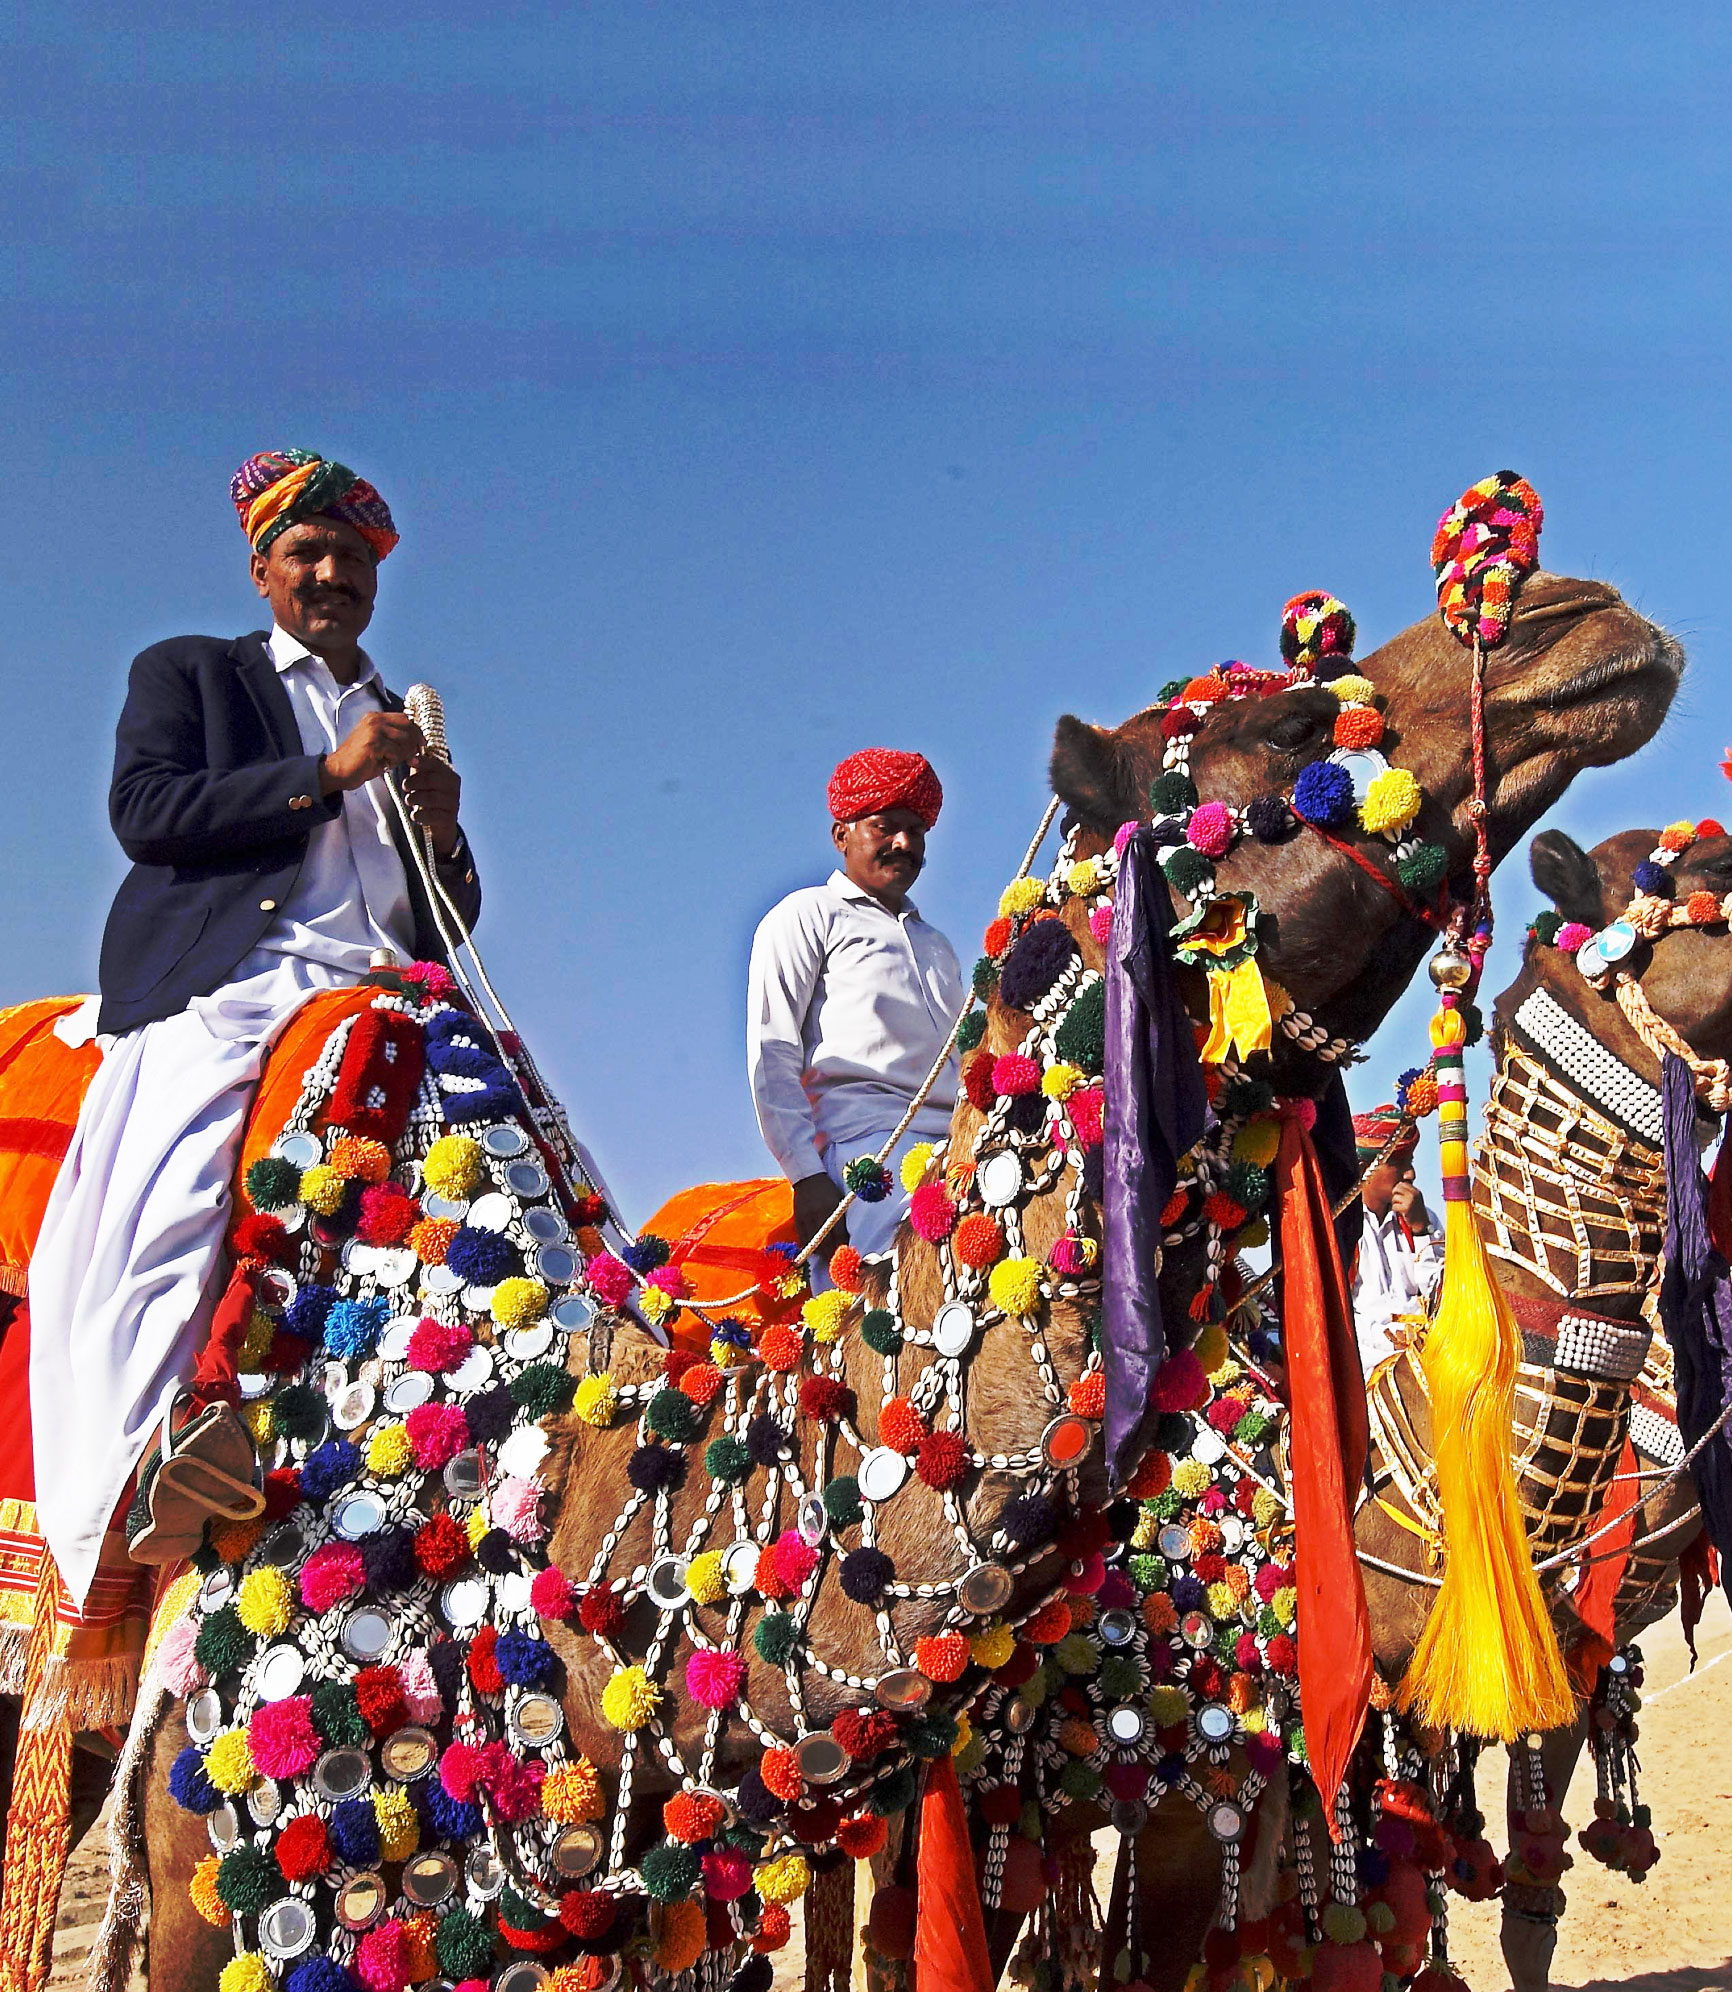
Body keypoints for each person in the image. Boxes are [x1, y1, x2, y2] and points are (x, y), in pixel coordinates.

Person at [29, 448, 481, 1601]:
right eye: (305, 554)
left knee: (537, 1177)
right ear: (263, 572)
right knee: (174, 1174)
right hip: (242, 981)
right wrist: (323, 773)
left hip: (392, 994)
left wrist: (443, 828)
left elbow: (447, 920)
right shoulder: (194, 671)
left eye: (350, 555)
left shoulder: (397, 716)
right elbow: (145, 812)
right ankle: (146, 1459)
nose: (330, 572)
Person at [747, 749, 964, 1265]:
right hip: (871, 1159)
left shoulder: (939, 946)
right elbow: (772, 1051)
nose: (904, 843)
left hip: (966, 1146)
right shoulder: (805, 916)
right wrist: (807, 1176)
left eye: (917, 830)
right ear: (841, 836)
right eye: (886, 826)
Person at [1349, 1103, 1442, 1370]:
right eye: (1399, 1163)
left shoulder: (1423, 1218)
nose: (1410, 1174)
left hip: (1427, 1354)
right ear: (1364, 1168)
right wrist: (1387, 1338)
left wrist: (1421, 1230)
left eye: (1409, 1162)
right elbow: (1335, 1314)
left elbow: (1442, 1293)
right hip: (1368, 1363)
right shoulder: (1341, 1226)